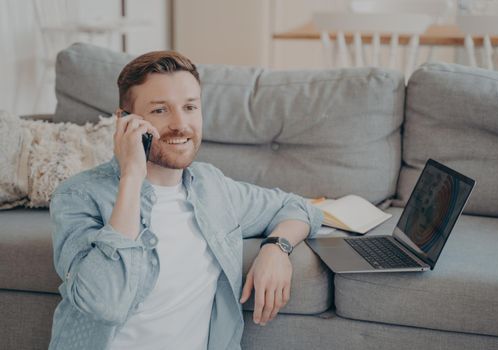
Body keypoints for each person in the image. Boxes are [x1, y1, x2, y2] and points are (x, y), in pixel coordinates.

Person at [48, 50, 322, 350]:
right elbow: (105, 303)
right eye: (160, 110)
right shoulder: (78, 197)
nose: (180, 124)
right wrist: (131, 176)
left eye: (190, 107)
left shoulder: (213, 187)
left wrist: (277, 249)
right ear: (125, 122)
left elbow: (300, 208)